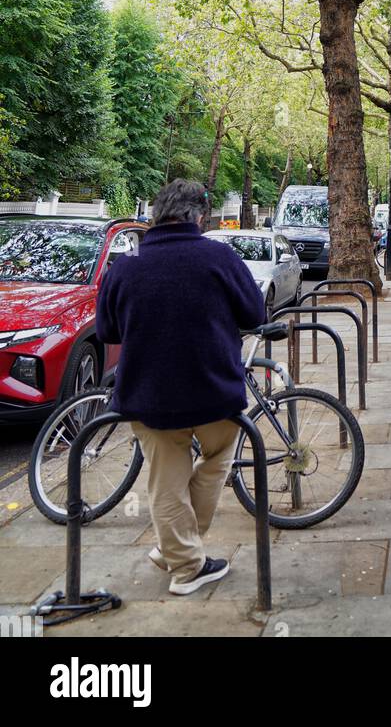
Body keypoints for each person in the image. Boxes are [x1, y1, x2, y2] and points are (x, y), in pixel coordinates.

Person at [96, 178, 265, 596]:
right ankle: (186, 564)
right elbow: (255, 313)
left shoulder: (126, 268)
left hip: (148, 397)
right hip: (213, 393)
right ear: (199, 216)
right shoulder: (218, 257)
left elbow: (107, 331)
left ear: (155, 216)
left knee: (164, 481)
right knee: (220, 454)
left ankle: (176, 550)